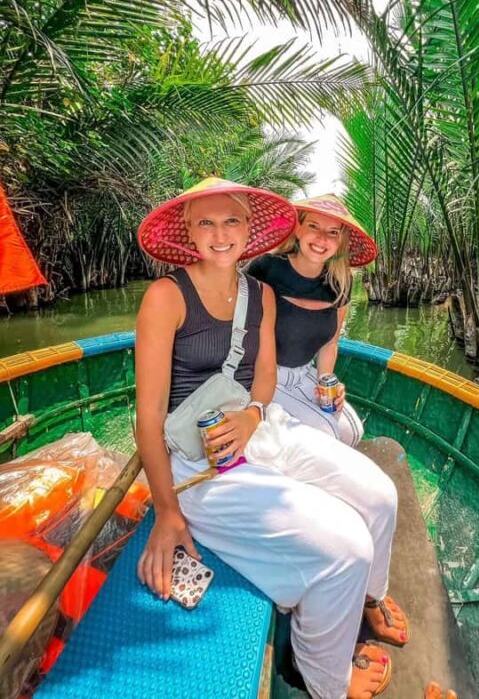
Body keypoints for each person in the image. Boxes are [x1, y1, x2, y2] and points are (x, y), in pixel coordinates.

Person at [134, 177, 407, 699]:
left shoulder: (259, 293)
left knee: (380, 496)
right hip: (198, 460)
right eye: (206, 223)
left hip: (260, 428)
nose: (220, 234)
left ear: (249, 228)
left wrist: (255, 416)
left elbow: (263, 377)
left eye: (232, 220)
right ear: (188, 232)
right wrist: (167, 512)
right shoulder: (165, 297)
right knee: (346, 546)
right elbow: (147, 422)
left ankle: (370, 599)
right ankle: (321, 678)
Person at [246, 194, 377, 448]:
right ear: (297, 228)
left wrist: (327, 383)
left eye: (332, 232)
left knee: (353, 432)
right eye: (313, 227)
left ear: (340, 241)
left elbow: (330, 343)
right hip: (261, 375)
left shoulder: (341, 282)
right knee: (329, 435)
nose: (322, 239)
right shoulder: (266, 268)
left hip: (304, 373)